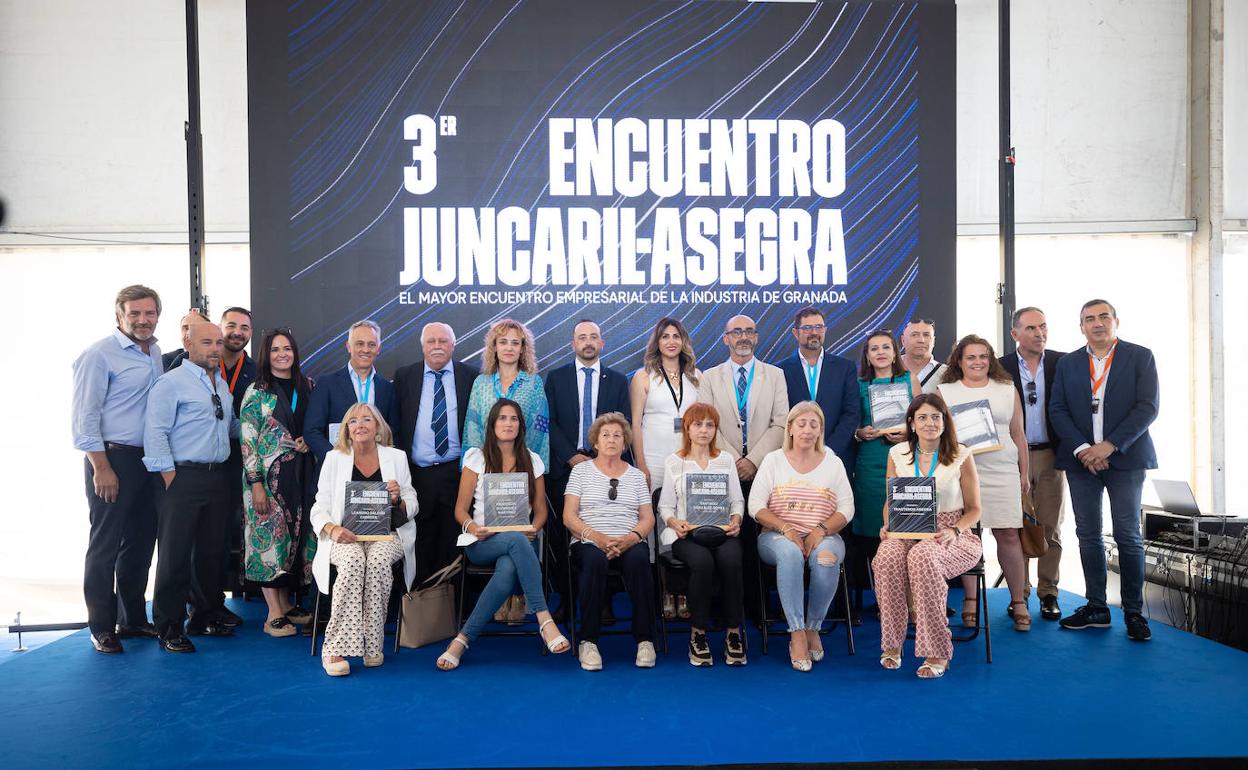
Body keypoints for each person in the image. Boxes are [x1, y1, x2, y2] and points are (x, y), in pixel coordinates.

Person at [1050, 299, 1158, 642]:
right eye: (1089, 319)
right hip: (1081, 462)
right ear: (1081, 326)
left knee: (1128, 535)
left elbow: (1148, 407)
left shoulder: (1140, 356)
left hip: (1125, 458)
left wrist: (1109, 445)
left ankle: (1134, 612)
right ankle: (1096, 607)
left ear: (1116, 321)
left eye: (1103, 317)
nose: (1097, 323)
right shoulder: (1068, 364)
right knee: (1088, 534)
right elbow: (1058, 409)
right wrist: (1084, 450)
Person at [436, 399, 571, 670]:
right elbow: (460, 511)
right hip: (483, 541)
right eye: (502, 418)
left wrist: (535, 527)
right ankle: (545, 620)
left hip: (521, 540)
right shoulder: (476, 457)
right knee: (514, 541)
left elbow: (542, 511)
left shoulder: (532, 460)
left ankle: (461, 640)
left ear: (521, 426)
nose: (508, 424)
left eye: (513, 419)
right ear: (492, 424)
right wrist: (474, 527)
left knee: (510, 562)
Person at [72, 285, 165, 653]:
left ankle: (133, 620)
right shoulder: (98, 355)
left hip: (147, 461)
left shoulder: (153, 351)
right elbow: (84, 418)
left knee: (141, 543)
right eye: (135, 314)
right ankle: (102, 628)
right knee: (104, 546)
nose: (143, 320)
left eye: (149, 313)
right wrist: (101, 467)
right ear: (119, 316)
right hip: (112, 459)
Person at [143, 322, 241, 652]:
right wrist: (169, 477)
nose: (215, 348)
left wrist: (265, 425)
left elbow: (229, 427)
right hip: (181, 478)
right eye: (207, 342)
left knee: (212, 553)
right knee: (175, 555)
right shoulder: (171, 383)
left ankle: (203, 616)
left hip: (217, 477)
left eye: (218, 342)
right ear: (188, 342)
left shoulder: (221, 384)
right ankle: (168, 626)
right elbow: (155, 433)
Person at [875, 394, 983, 678]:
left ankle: (937, 651)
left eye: (936, 417)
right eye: (922, 417)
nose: (930, 422)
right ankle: (892, 645)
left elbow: (974, 510)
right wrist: (889, 525)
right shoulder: (896, 454)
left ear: (945, 422)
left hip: (951, 533)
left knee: (923, 555)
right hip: (906, 527)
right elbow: (890, 501)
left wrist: (954, 530)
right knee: (886, 556)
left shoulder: (962, 454)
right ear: (911, 424)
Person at [309, 403, 417, 676]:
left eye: (367, 419)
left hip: (386, 534)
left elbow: (413, 502)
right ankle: (334, 647)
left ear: (378, 426)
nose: (360, 425)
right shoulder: (334, 458)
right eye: (353, 421)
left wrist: (398, 499)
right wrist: (332, 529)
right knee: (354, 560)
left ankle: (372, 643)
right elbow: (318, 506)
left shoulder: (396, 457)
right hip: (344, 536)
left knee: (379, 561)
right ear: (346, 429)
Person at [748, 402, 855, 671]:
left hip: (824, 534)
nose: (807, 430)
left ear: (821, 430)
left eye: (814, 424)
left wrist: (820, 530)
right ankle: (796, 631)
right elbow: (755, 506)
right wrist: (787, 529)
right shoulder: (773, 460)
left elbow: (847, 508)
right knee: (790, 553)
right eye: (801, 424)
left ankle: (813, 627)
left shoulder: (833, 462)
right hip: (777, 536)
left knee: (827, 559)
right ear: (791, 428)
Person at [700, 314, 790, 623]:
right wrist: (733, 462)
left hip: (763, 470)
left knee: (756, 540)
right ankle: (726, 606)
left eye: (749, 331)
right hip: (723, 471)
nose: (743, 337)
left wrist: (753, 460)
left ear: (756, 337)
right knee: (725, 539)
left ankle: (759, 604)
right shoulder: (709, 377)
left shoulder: (775, 375)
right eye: (736, 331)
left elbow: (782, 423)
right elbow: (706, 424)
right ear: (725, 338)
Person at [938, 334, 1032, 631]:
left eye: (983, 356)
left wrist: (1024, 473)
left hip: (1003, 470)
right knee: (968, 536)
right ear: (959, 362)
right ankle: (970, 599)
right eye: (971, 357)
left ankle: (1018, 601)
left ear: (990, 360)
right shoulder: (946, 391)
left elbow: (1019, 433)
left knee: (1008, 536)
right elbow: (939, 436)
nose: (977, 362)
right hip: (962, 472)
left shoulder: (1006, 389)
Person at [544, 319, 632, 618]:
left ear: (602, 342)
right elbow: (549, 423)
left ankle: (604, 602)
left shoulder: (619, 381)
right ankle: (568, 602)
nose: (588, 342)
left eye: (594, 337)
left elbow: (623, 424)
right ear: (573, 344)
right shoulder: (556, 378)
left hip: (605, 467)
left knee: (605, 529)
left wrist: (598, 460)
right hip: (566, 466)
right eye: (582, 337)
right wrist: (570, 456)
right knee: (564, 535)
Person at [563, 413, 657, 671]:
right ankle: (589, 640)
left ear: (625, 443)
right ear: (595, 441)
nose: (611, 440)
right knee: (593, 561)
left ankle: (645, 639)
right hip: (588, 540)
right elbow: (569, 516)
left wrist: (631, 538)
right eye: (605, 435)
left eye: (617, 435)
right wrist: (598, 538)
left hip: (628, 539)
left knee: (640, 559)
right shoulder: (580, 472)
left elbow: (647, 518)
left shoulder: (637, 476)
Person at [656, 402, 747, 667]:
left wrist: (736, 520)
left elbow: (737, 502)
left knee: (731, 561)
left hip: (722, 533)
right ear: (687, 428)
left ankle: (733, 633)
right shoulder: (674, 462)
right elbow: (665, 506)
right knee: (703, 563)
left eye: (710, 425)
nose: (704, 430)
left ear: (716, 429)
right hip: (687, 536)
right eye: (698, 424)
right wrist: (674, 522)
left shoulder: (726, 460)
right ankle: (698, 634)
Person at [240, 328, 318, 637]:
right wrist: (256, 484)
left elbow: (316, 427)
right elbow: (248, 443)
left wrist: (308, 441)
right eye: (275, 350)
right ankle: (272, 614)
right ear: (266, 355)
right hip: (266, 480)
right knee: (269, 541)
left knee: (295, 540)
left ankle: (286, 605)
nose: (282, 354)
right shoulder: (256, 392)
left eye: (287, 348)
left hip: (302, 475)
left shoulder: (308, 386)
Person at [393, 322, 479, 584]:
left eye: (443, 341)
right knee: (420, 539)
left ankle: (451, 603)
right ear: (422, 346)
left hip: (457, 472)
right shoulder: (405, 376)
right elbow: (395, 423)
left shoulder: (471, 376)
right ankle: (420, 601)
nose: (437, 346)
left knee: (453, 540)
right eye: (432, 341)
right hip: (417, 473)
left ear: (453, 345)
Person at [629, 316, 702, 619]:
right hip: (655, 459)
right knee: (656, 524)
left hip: (688, 459)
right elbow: (634, 422)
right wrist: (641, 464)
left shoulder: (697, 376)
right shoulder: (643, 376)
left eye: (676, 336)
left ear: (683, 341)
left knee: (684, 522)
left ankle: (682, 592)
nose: (671, 341)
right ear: (656, 342)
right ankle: (662, 593)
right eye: (665, 336)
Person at [1000, 307, 1067, 620]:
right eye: (1031, 328)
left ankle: (1049, 591)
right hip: (1012, 457)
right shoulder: (1000, 368)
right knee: (1019, 524)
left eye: (1043, 327)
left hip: (1053, 454)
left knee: (1051, 526)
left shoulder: (1062, 363)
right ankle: (1020, 594)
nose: (1039, 333)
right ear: (1015, 334)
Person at [849, 330, 920, 608]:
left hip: (904, 459)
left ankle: (910, 600)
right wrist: (859, 433)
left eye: (886, 347)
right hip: (869, 462)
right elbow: (852, 425)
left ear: (894, 352)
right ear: (866, 355)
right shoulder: (858, 385)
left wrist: (907, 434)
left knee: (905, 528)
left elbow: (923, 420)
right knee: (873, 531)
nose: (880, 353)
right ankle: (885, 600)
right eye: (874, 348)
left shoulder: (908, 380)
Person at [206, 306, 256, 629]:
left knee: (228, 534)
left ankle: (218, 602)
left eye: (244, 327)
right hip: (205, 459)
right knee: (204, 536)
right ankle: (198, 602)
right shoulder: (203, 363)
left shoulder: (256, 370)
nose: (237, 332)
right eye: (232, 325)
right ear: (221, 328)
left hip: (241, 458)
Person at [777, 306, 860, 474]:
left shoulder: (845, 368)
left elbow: (852, 413)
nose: (814, 332)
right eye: (807, 328)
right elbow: (779, 415)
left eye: (819, 327)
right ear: (795, 332)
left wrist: (829, 450)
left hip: (837, 457)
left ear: (825, 330)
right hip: (794, 459)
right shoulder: (780, 370)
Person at [306, 320, 400, 462]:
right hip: (336, 471)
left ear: (379, 349)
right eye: (359, 344)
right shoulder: (327, 384)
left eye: (372, 344)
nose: (366, 350)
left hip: (376, 471)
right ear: (349, 347)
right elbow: (312, 431)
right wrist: (337, 460)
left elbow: (394, 433)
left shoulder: (387, 388)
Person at [901, 318, 947, 394]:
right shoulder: (887, 370)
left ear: (933, 341)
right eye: (914, 335)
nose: (921, 340)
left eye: (926, 335)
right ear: (903, 340)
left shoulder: (946, 374)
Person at [161, 307, 208, 372]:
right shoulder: (167, 359)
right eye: (186, 328)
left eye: (196, 328)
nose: (189, 333)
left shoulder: (216, 359)